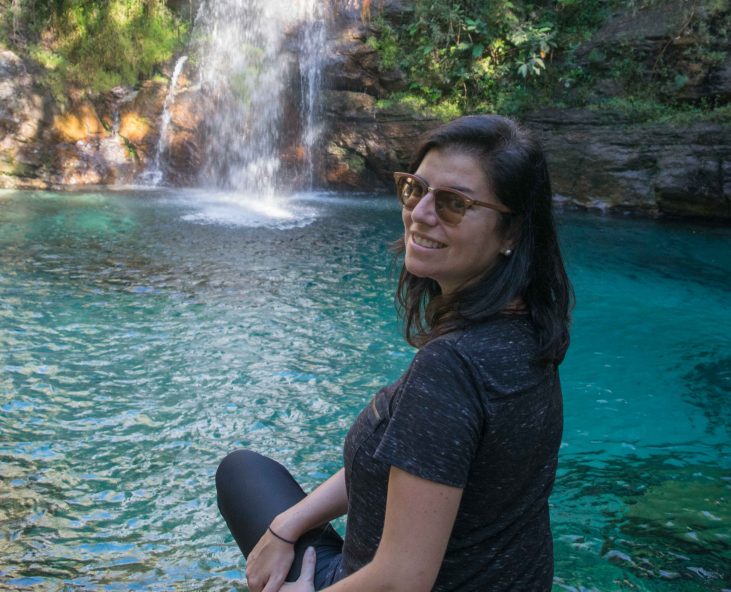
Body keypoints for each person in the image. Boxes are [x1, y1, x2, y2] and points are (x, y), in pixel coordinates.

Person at [216, 114, 573, 592]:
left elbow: (403, 581)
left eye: (452, 203)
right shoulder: (532, 331)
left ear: (511, 233)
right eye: (415, 189)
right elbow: (428, 459)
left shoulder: (452, 367)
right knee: (254, 479)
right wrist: (287, 525)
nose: (420, 213)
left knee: (241, 472)